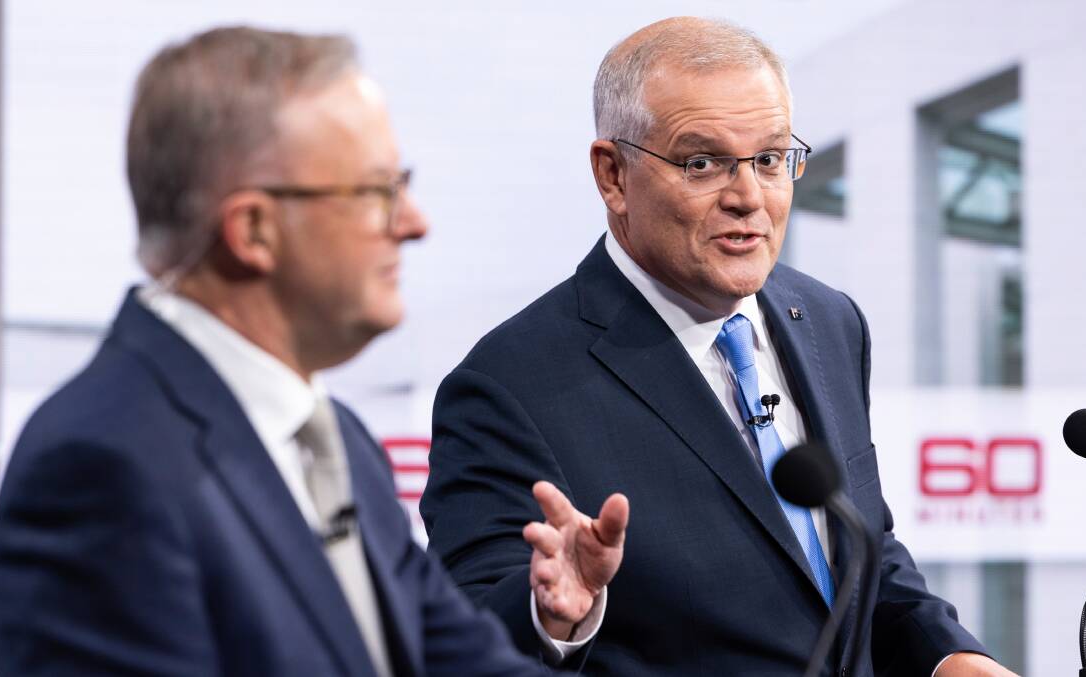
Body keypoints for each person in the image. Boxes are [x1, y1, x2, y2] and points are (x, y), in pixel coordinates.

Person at [0, 26, 627, 677]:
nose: (414, 222)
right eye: (378, 191)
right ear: (254, 229)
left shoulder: (337, 440)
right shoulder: (102, 465)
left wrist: (550, 619)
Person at [421, 17, 1017, 676]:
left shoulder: (828, 320)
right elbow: (466, 643)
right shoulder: (511, 385)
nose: (748, 197)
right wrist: (557, 617)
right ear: (613, 175)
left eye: (768, 160)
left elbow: (860, 549)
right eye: (701, 162)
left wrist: (949, 656)